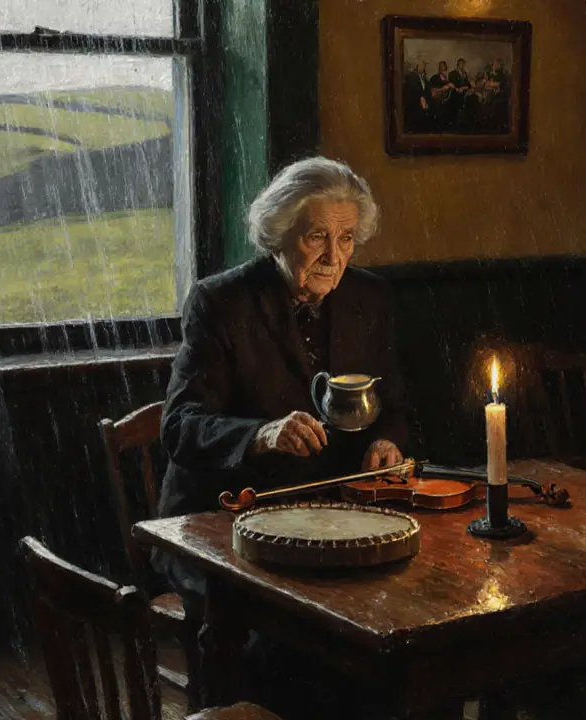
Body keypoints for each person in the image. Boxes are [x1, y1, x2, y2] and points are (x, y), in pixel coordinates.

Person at [157, 156, 409, 718]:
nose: (334, 256)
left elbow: (394, 406)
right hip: (222, 522)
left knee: (391, 635)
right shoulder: (221, 302)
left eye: (347, 238)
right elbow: (179, 427)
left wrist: (385, 442)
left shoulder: (370, 299)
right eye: (317, 236)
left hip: (327, 520)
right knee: (285, 646)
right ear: (279, 233)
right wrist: (261, 435)